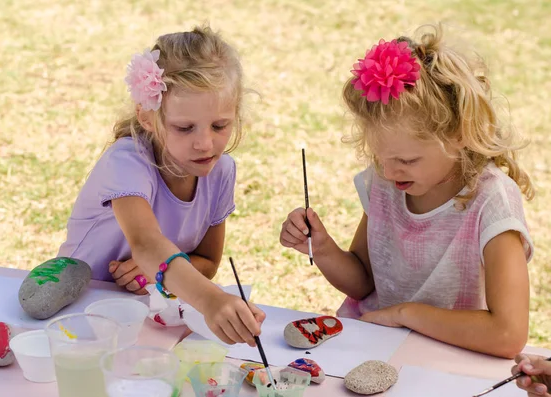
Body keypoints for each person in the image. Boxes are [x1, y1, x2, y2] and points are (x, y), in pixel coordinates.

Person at [280, 24, 534, 358]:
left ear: (458, 134)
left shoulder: (491, 201)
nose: (388, 172)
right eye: (380, 158)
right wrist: (323, 247)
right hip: (375, 345)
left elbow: (507, 335)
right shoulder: (387, 181)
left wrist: (406, 314)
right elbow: (363, 282)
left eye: (406, 160)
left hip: (447, 356)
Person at [58, 25, 264, 346]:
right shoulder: (127, 161)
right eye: (184, 128)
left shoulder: (221, 171)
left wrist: (155, 273)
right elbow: (147, 244)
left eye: (220, 125)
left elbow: (207, 262)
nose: (205, 143)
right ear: (147, 118)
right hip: (78, 310)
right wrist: (210, 301)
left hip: (145, 317)